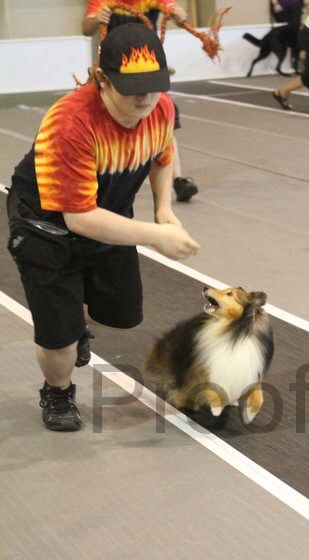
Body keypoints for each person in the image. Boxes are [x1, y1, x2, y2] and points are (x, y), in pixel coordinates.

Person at [7, 23, 199, 432]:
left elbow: (163, 152)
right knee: (59, 337)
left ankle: (76, 325)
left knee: (123, 313)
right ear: (102, 79)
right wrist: (156, 234)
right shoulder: (71, 122)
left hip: (108, 215)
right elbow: (79, 217)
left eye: (154, 86)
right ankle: (58, 392)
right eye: (132, 89)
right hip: (47, 227)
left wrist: (164, 207)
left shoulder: (159, 108)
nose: (145, 98)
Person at [82, 0, 199, 202]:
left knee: (163, 122)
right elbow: (86, 28)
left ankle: (178, 179)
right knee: (104, 120)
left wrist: (180, 14)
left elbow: (177, 13)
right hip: (116, 70)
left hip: (146, 66)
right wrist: (96, 19)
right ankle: (99, 177)